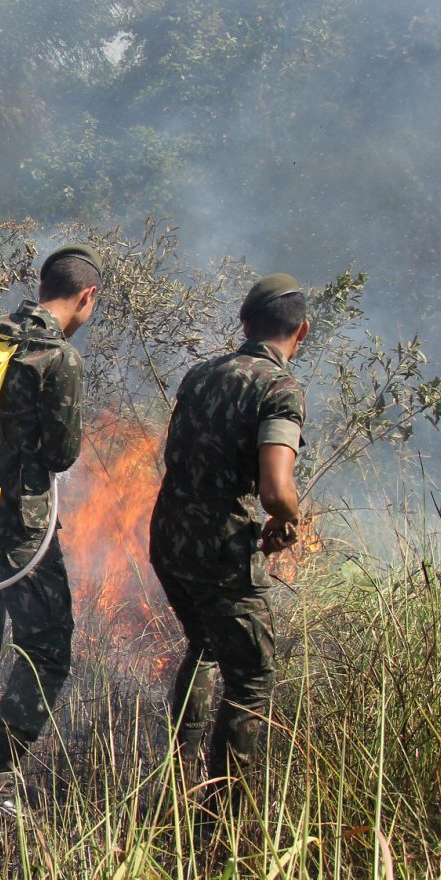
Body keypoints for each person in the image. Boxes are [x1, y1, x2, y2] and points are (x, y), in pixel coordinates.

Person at [0, 244, 100, 816]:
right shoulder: (58, 359)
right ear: (86, 297)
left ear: (40, 285)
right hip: (22, 533)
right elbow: (61, 455)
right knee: (49, 649)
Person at [150, 273, 308, 803]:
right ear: (301, 332)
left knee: (204, 645)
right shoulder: (278, 389)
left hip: (169, 537)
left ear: (244, 324)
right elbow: (275, 488)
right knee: (253, 681)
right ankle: (220, 819)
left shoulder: (200, 373)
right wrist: (289, 519)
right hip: (220, 549)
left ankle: (178, 775)